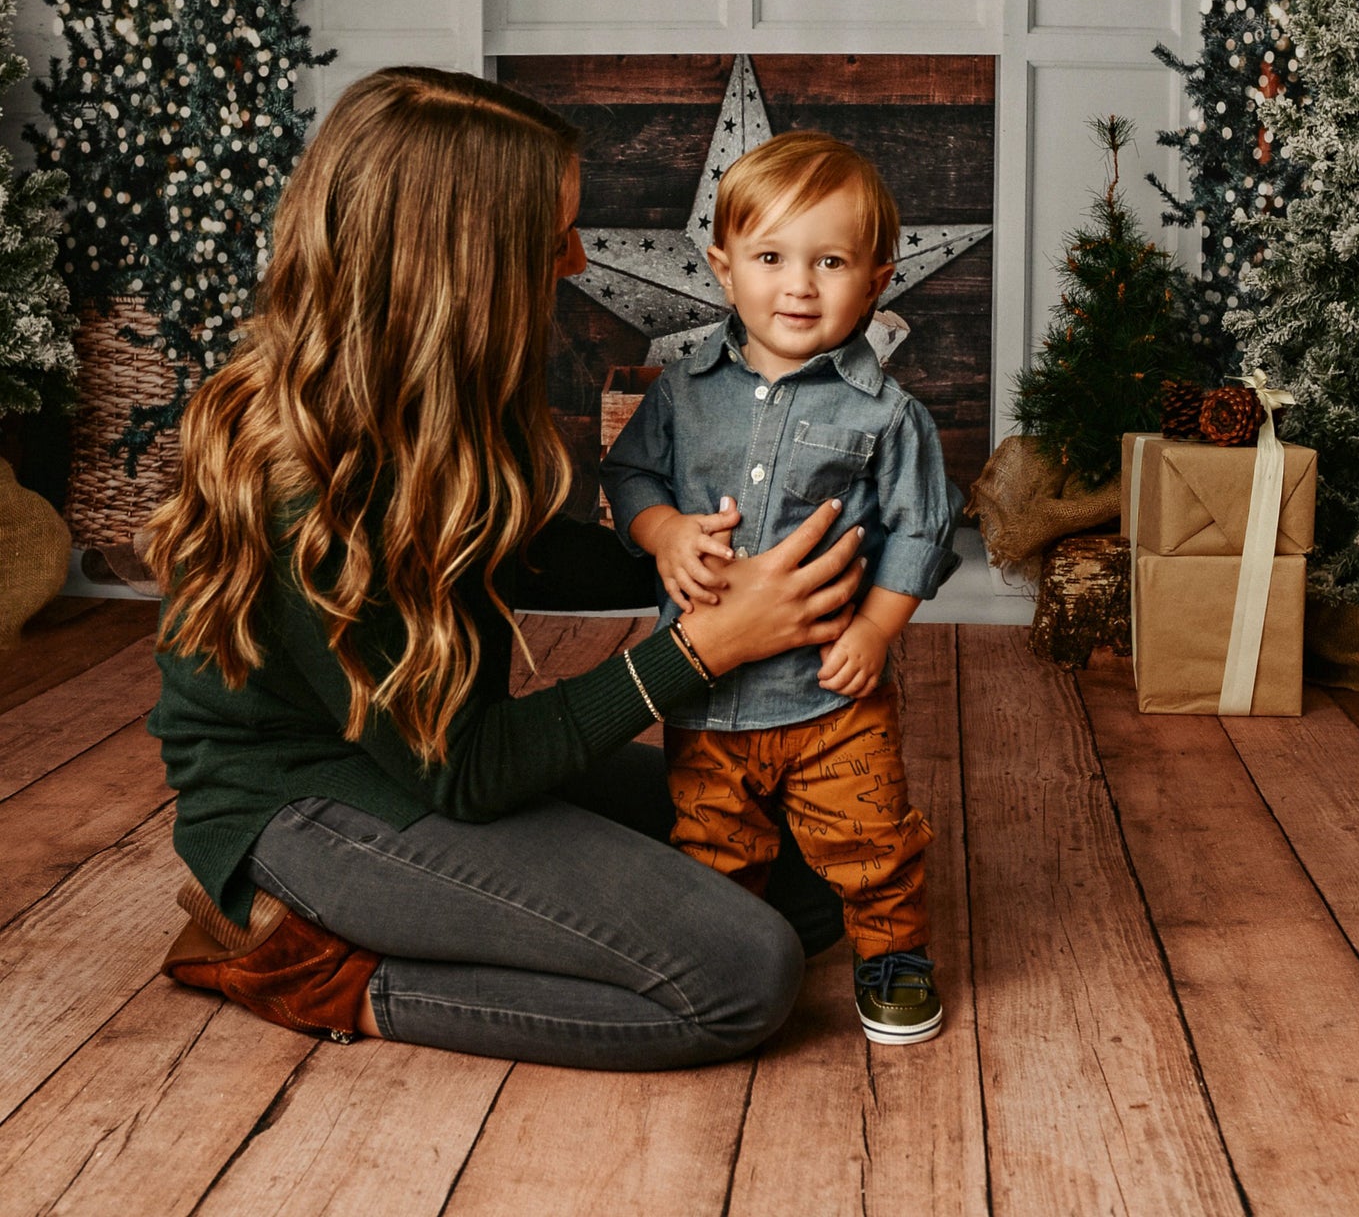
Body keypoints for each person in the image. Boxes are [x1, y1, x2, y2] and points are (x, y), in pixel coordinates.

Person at [146, 68, 869, 1071]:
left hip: (421, 755)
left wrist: (670, 546)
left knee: (810, 863)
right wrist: (700, 647)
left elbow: (516, 552)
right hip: (314, 800)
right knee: (741, 974)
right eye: (550, 237)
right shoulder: (301, 484)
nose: (573, 259)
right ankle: (318, 967)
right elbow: (472, 770)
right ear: (460, 259)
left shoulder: (429, 389)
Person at [601, 131, 960, 1045]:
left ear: (875, 280)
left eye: (829, 262)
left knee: (867, 841)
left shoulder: (888, 416)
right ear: (723, 270)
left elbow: (921, 526)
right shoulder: (681, 395)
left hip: (829, 697)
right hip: (705, 697)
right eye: (770, 258)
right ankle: (726, 954)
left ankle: (892, 954)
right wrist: (664, 530)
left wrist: (876, 628)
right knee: (712, 850)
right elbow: (630, 476)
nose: (798, 285)